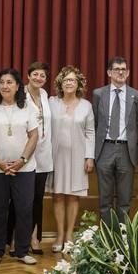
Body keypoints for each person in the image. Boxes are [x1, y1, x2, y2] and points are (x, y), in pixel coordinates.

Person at [0, 67, 40, 265]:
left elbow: (34, 136)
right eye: (2, 82)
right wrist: (0, 163)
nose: (5, 86)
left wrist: (22, 161)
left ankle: (22, 250)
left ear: (18, 86)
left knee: (24, 209)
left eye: (9, 82)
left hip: (25, 169)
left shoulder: (28, 107)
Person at [49, 66, 95, 250]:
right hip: (55, 155)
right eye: (66, 80)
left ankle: (69, 234)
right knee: (58, 194)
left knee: (74, 195)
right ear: (61, 83)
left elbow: (90, 132)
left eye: (73, 80)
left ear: (78, 84)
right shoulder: (52, 102)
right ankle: (59, 234)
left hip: (78, 155)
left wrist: (89, 157)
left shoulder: (86, 106)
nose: (69, 83)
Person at [93, 56, 138, 226]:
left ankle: (123, 236)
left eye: (123, 69)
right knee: (104, 199)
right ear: (109, 72)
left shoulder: (136, 95)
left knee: (125, 198)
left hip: (126, 150)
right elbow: (96, 122)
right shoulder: (98, 94)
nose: (120, 72)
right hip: (105, 148)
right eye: (116, 69)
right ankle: (106, 236)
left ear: (128, 73)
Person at [23, 62, 55, 252]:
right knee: (21, 199)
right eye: (35, 74)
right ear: (28, 76)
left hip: (43, 155)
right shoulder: (21, 96)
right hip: (25, 154)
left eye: (42, 76)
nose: (38, 78)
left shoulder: (45, 95)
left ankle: (35, 238)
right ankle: (17, 238)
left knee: (37, 199)